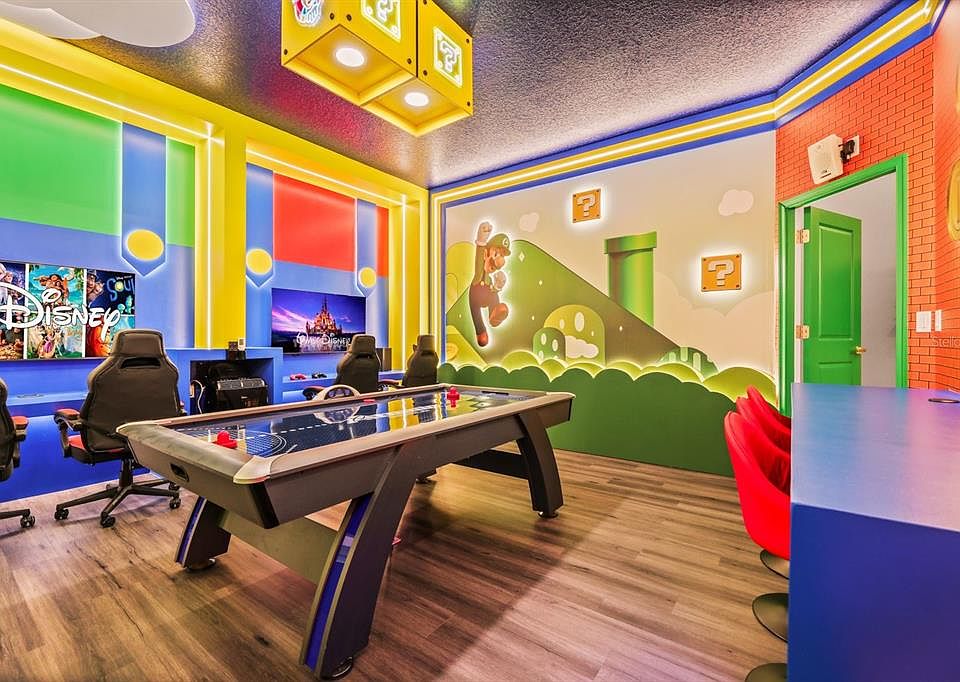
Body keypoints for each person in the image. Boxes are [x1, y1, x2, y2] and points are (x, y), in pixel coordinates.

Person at [468, 221, 511, 347]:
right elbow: (479, 255)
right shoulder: (479, 272)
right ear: (486, 253)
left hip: (486, 294)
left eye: (502, 256)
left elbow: (492, 290)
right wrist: (482, 240)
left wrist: (497, 286)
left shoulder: (490, 279)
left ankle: (494, 314)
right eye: (496, 254)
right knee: (476, 314)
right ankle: (481, 331)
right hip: (475, 295)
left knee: (494, 295)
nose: (499, 260)